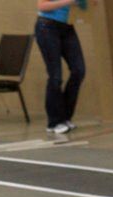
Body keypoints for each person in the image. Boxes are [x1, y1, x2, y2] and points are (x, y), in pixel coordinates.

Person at [35, 0, 96, 134]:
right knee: (55, 76)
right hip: (47, 26)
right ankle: (54, 121)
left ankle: (65, 116)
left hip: (67, 27)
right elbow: (42, 6)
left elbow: (83, 6)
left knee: (79, 70)